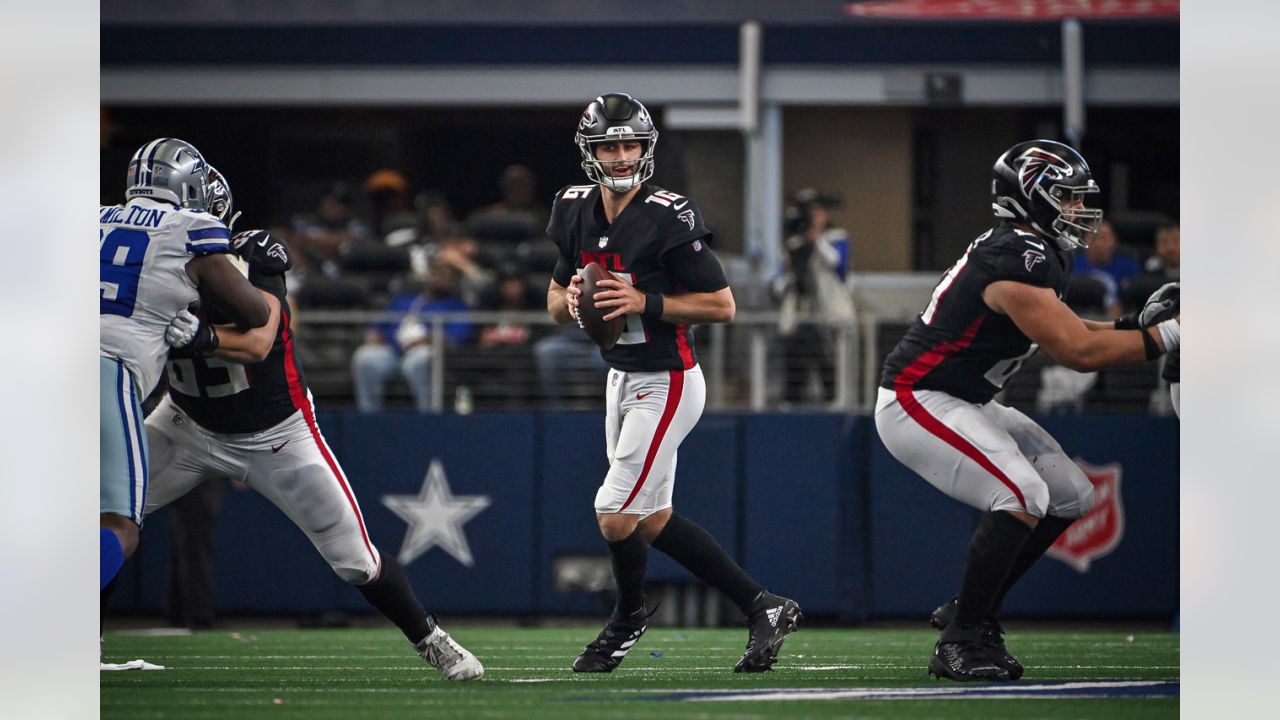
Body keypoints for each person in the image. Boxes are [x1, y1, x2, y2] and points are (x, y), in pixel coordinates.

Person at [140, 191, 483, 680]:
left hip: (274, 432)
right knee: (107, 517)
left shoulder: (254, 257)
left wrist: (204, 337)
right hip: (185, 421)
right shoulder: (139, 269)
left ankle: (430, 638)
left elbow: (260, 342)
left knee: (355, 561)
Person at [874, 140, 1180, 682]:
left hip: (965, 397)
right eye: (1067, 198)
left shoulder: (1034, 249)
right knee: (1021, 493)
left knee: (1070, 494)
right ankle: (961, 639)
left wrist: (1137, 326)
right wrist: (1172, 334)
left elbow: (1070, 329)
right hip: (917, 397)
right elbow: (1077, 354)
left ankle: (970, 608)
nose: (1079, 210)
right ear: (1031, 195)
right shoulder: (1015, 256)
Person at [546, 93, 801, 674]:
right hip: (621, 379)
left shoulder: (669, 214)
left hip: (668, 380)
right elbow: (556, 299)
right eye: (610, 145)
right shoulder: (573, 208)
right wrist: (577, 303)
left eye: (630, 143)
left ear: (646, 147)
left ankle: (627, 616)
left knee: (614, 510)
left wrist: (644, 300)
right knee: (651, 517)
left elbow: (723, 305)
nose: (621, 155)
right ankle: (764, 605)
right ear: (590, 151)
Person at [100, 139, 270, 611]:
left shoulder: (91, 218)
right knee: (118, 525)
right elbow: (255, 313)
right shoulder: (191, 227)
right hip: (106, 370)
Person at [350, 262, 474, 412]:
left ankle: (427, 415)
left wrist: (426, 340)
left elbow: (456, 337)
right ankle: (369, 415)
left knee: (420, 360)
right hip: (392, 351)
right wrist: (374, 336)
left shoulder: (457, 307)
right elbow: (377, 327)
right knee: (364, 357)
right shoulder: (404, 300)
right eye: (436, 274)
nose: (439, 279)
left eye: (445, 276)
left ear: (454, 282)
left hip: (423, 351)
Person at [775, 188, 854, 405]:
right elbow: (780, 283)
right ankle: (790, 403)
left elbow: (838, 265)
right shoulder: (793, 246)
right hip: (799, 318)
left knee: (830, 365)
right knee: (796, 364)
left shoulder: (836, 238)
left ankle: (834, 404)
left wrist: (816, 238)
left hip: (829, 316)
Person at [1071, 219, 1140, 317]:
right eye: (1093, 238)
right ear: (1084, 239)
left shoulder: (1128, 267)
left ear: (1114, 240)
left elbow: (1135, 299)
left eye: (1104, 238)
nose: (1098, 243)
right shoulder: (1071, 263)